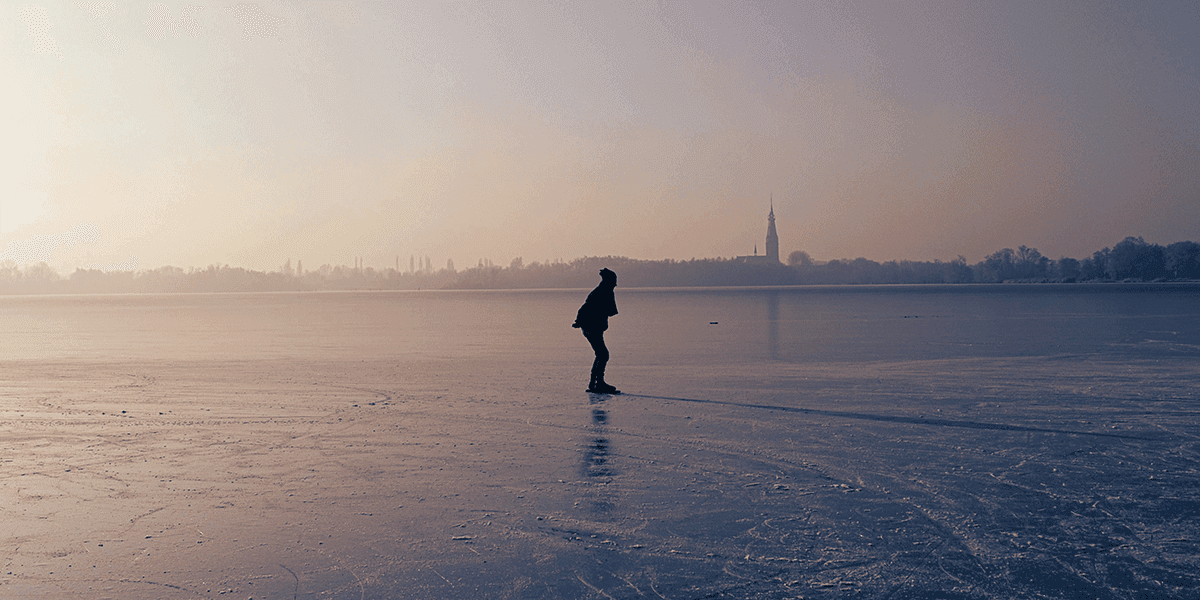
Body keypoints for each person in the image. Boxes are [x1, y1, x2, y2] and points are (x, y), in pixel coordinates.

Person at [572, 268, 620, 394]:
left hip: (592, 327)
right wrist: (578, 321)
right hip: (591, 328)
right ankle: (596, 384)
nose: (616, 284)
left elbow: (610, 311)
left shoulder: (603, 291)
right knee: (603, 354)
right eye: (614, 281)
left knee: (601, 354)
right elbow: (586, 308)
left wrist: (579, 321)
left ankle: (596, 383)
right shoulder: (602, 292)